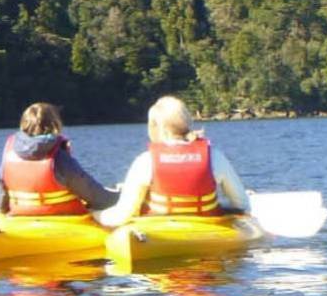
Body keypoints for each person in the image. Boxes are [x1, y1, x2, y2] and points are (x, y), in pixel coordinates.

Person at [99, 96, 249, 227]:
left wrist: (96, 215)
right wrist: (221, 206)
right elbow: (242, 204)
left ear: (155, 127)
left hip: (157, 231)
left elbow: (122, 215)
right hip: (208, 227)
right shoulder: (215, 157)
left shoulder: (145, 161)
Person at [0, 102, 118, 216]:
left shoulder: (9, 153)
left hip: (20, 216)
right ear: (55, 124)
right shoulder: (60, 158)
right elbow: (99, 199)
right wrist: (120, 196)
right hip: (65, 219)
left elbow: (0, 203)